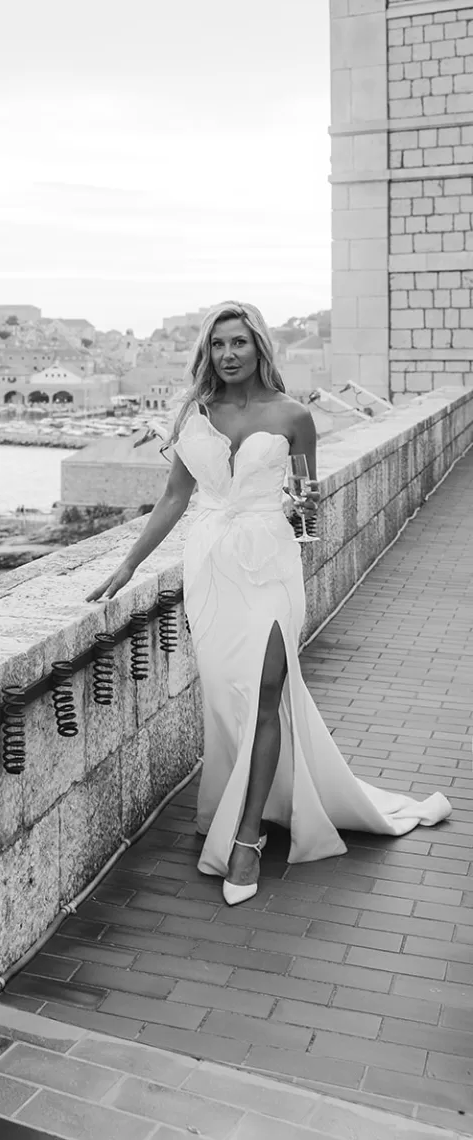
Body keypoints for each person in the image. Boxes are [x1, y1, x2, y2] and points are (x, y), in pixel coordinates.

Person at [86, 301, 451, 906]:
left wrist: (292, 536)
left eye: (240, 344)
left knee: (263, 696)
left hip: (272, 570)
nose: (229, 355)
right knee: (227, 695)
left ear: (259, 348)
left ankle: (248, 837)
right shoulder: (192, 414)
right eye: (219, 345)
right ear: (208, 352)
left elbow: (308, 506)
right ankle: (251, 801)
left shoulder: (294, 415)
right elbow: (176, 497)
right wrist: (127, 565)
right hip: (211, 569)